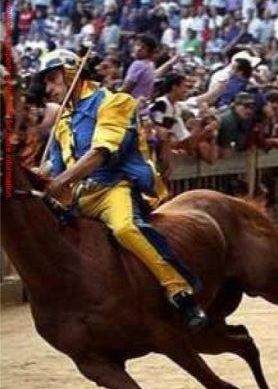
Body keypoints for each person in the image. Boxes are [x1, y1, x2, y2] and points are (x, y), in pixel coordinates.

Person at [37, 49, 207, 330]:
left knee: (126, 229)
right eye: (46, 83)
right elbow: (53, 167)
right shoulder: (63, 121)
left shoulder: (114, 102)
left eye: (52, 79)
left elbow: (100, 153)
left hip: (112, 188)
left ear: (71, 73)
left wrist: (59, 183)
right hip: (77, 196)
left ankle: (181, 292)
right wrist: (31, 177)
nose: (48, 89)